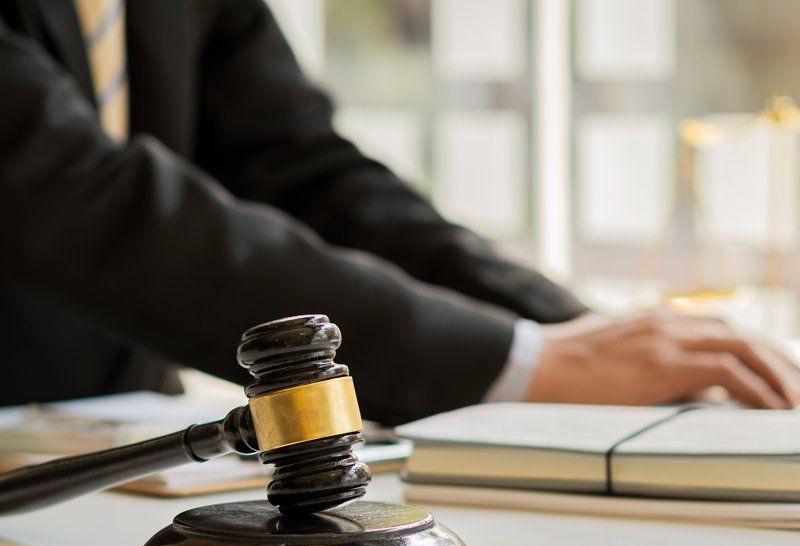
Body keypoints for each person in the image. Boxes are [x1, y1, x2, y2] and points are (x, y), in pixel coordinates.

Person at [0, 0, 798, 424]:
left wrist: (573, 334)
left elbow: (306, 169)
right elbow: (74, 198)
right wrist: (523, 363)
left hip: (112, 459)